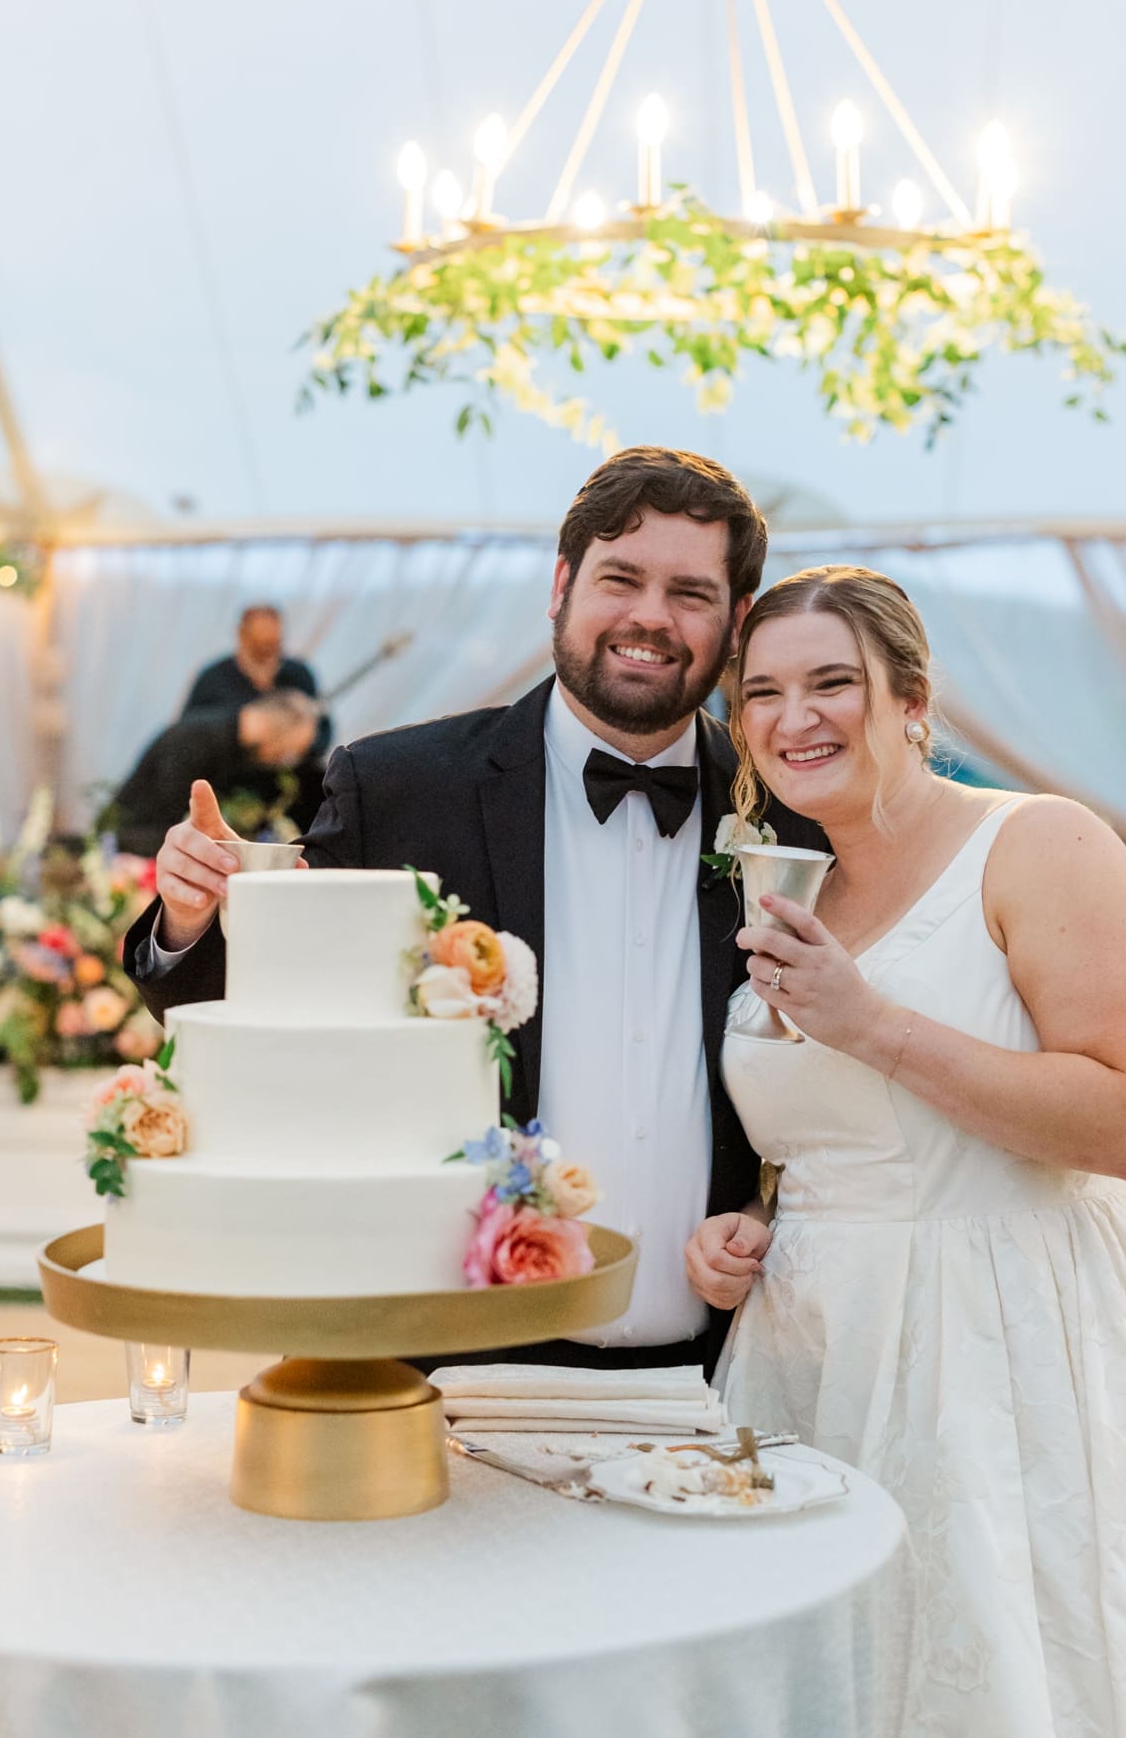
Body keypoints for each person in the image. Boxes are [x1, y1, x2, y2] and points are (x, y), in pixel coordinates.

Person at [685, 564, 1126, 1738]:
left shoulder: (1038, 843)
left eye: (832, 683)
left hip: (1013, 1352)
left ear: (913, 700)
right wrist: (753, 1223)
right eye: (761, 692)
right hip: (811, 1364)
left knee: (1008, 1722)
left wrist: (871, 1023)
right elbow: (836, 1135)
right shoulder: (782, 884)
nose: (792, 716)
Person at [123, 445, 827, 1373]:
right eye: (622, 578)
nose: (651, 618)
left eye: (690, 594)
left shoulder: (790, 818)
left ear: (737, 622)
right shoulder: (401, 787)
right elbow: (249, 1008)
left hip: (727, 1369)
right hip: (456, 1364)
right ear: (562, 585)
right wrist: (192, 915)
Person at [107, 692, 319, 857]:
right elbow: (164, 820)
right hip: (132, 848)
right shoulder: (195, 741)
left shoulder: (228, 742)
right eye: (290, 751)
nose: (284, 760)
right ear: (276, 731)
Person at [184, 604, 332, 819]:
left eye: (273, 646)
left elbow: (323, 729)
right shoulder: (213, 680)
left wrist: (296, 744)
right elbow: (192, 735)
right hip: (231, 787)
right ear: (241, 636)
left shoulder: (298, 676)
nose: (267, 655)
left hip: (287, 789)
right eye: (258, 646)